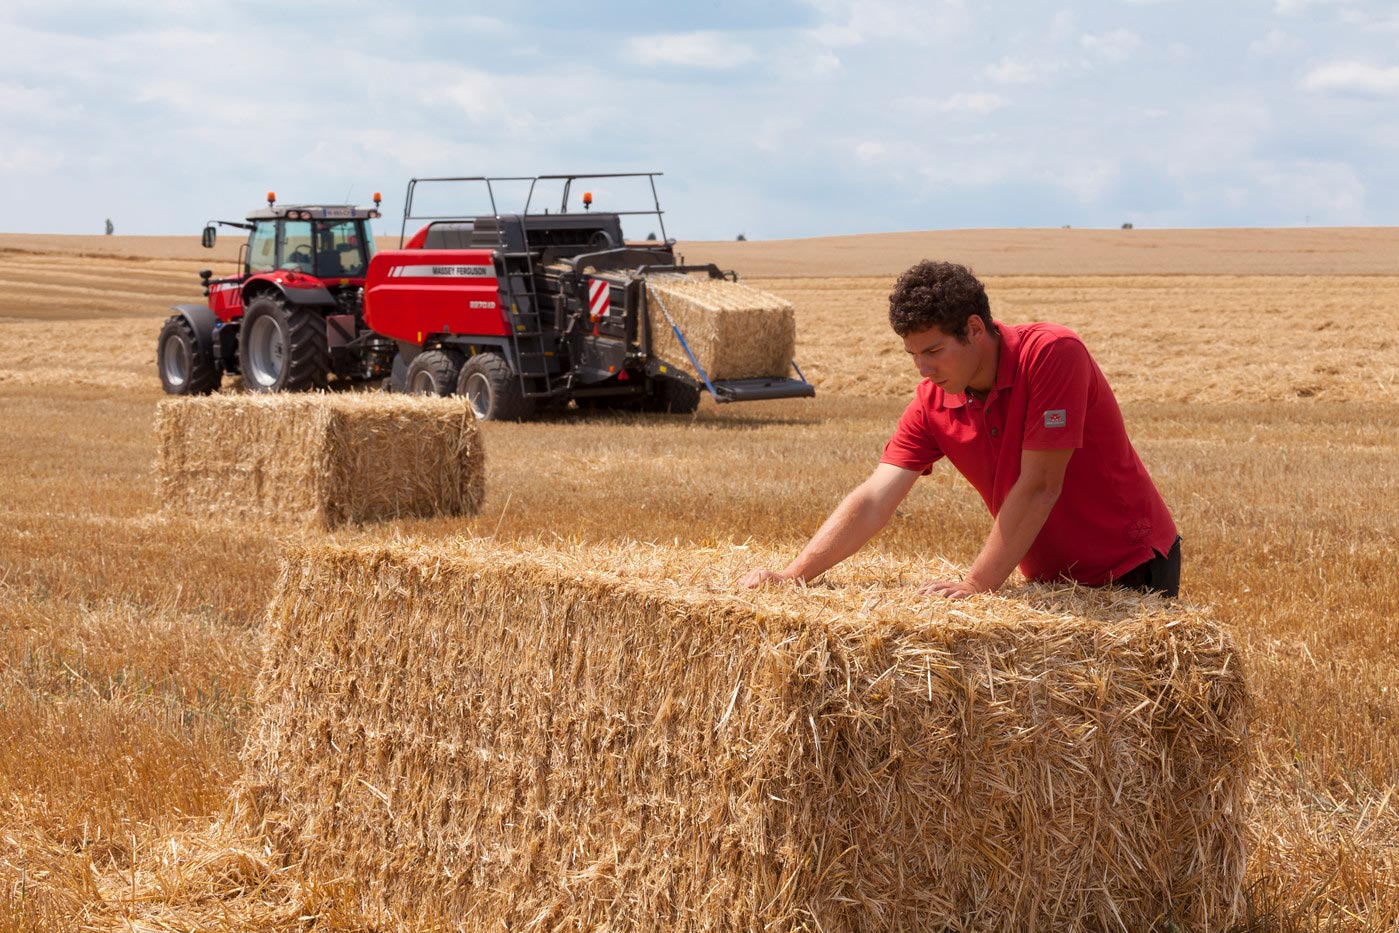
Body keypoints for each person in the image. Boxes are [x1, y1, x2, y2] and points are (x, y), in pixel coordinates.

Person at [740, 260, 1180, 599]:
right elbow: (875, 498)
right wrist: (793, 575)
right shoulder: (932, 400)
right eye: (913, 354)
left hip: (1130, 565)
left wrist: (975, 585)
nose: (924, 367)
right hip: (1050, 582)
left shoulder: (1051, 354)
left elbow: (1042, 485)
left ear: (973, 328)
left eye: (934, 350)